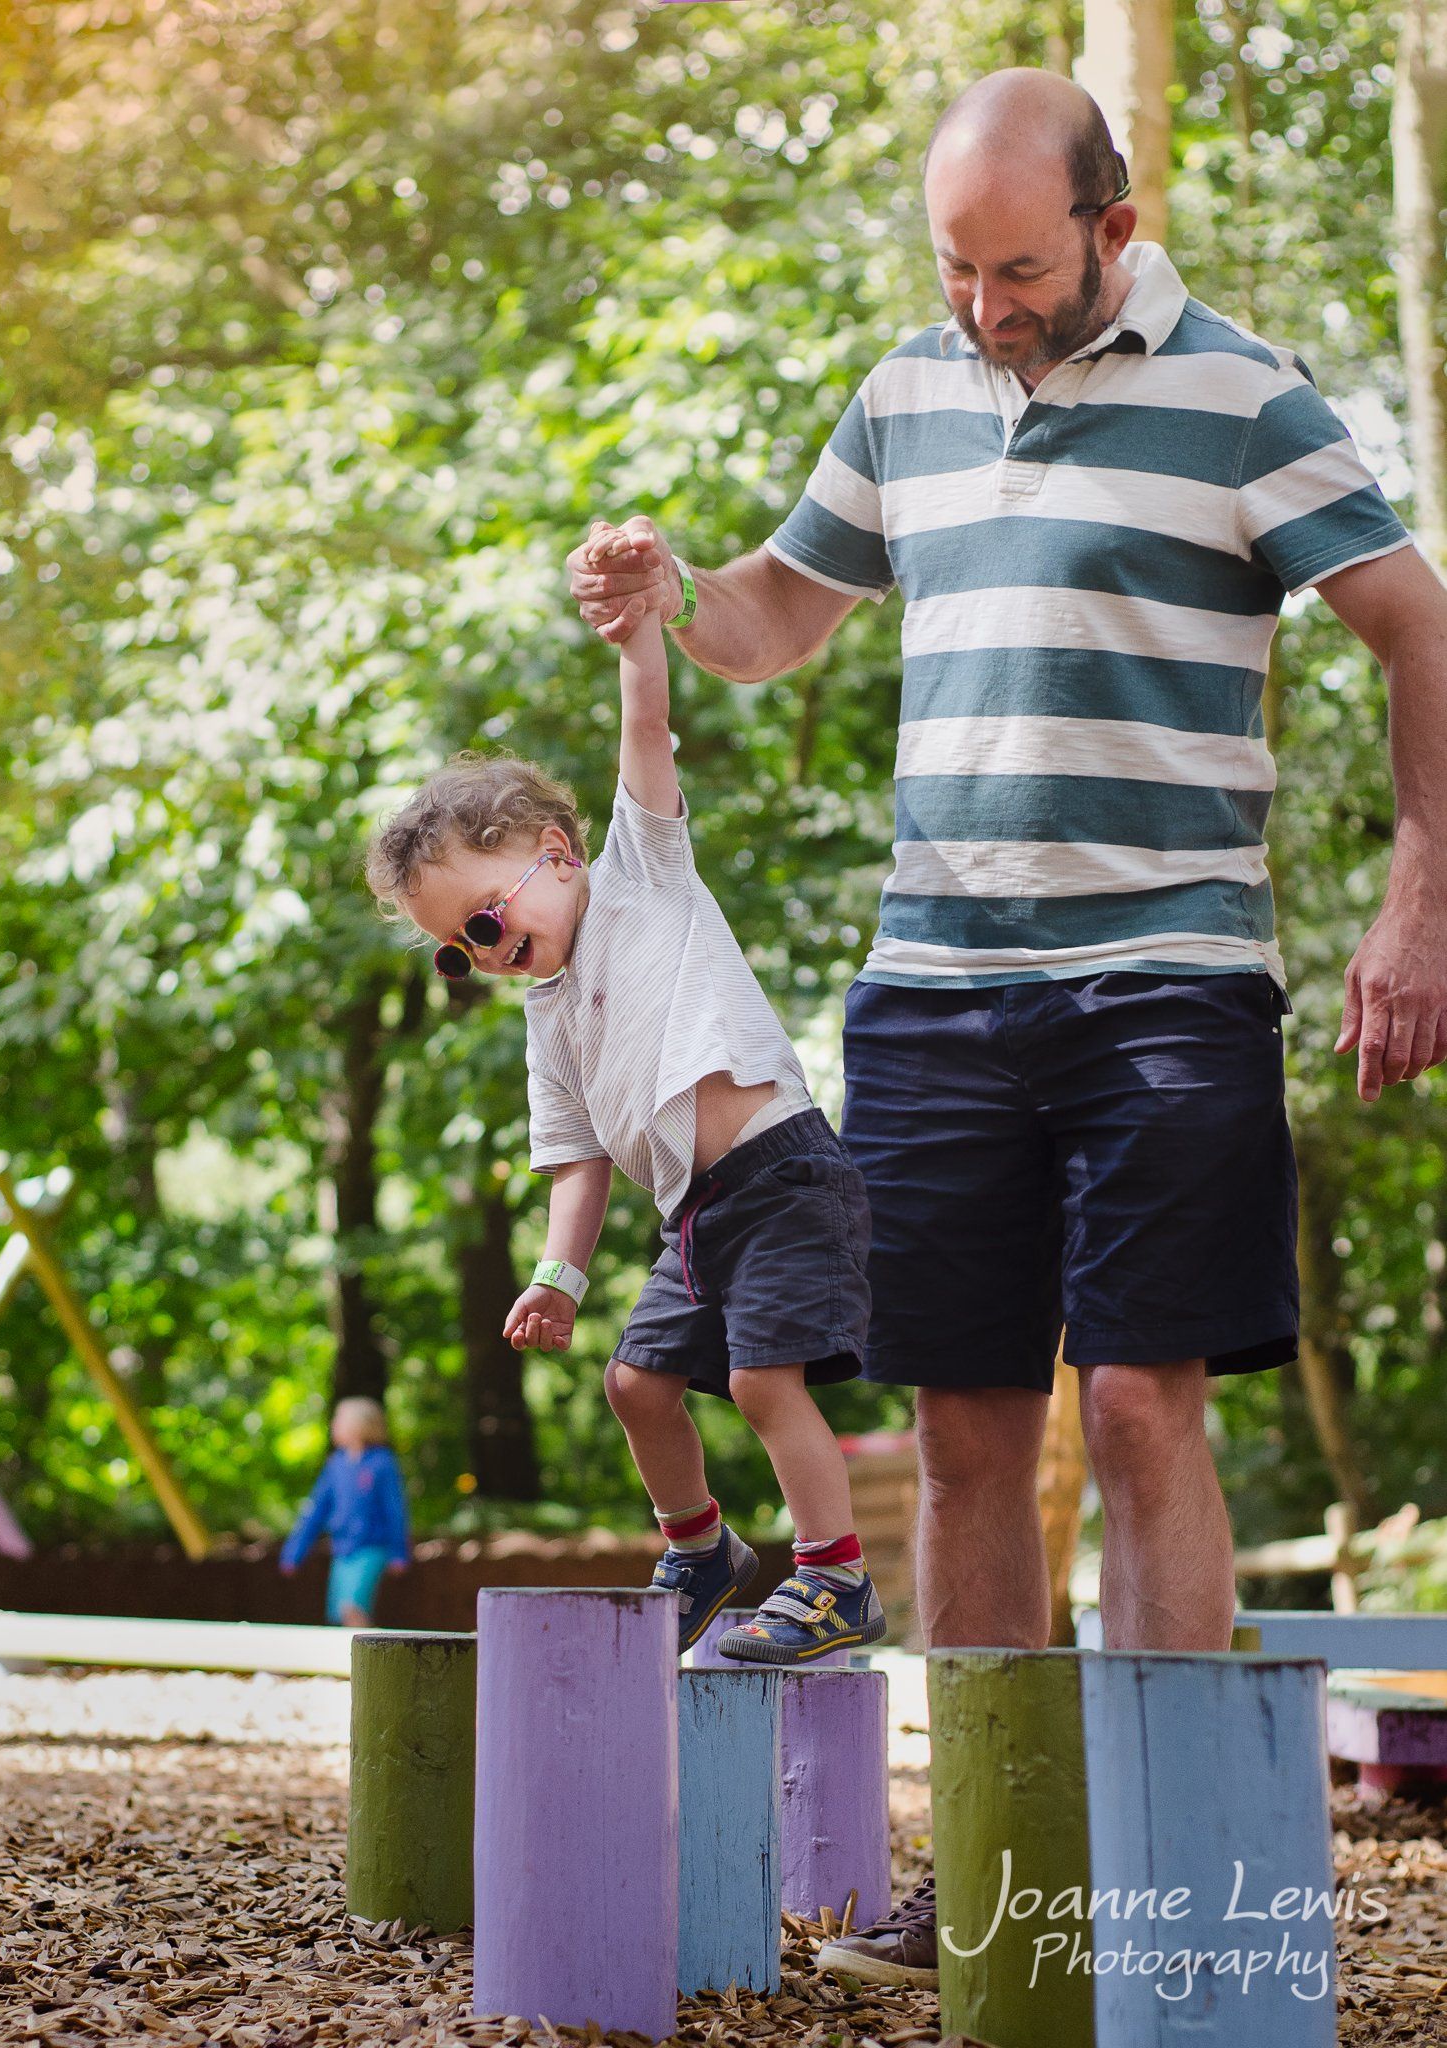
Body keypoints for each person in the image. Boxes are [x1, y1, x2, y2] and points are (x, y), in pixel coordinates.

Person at [566, 68, 1447, 1984]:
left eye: (1019, 266)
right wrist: (668, 596)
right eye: (956, 268)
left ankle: (1169, 1885)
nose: (986, 304)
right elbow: (778, 616)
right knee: (966, 1434)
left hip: (1170, 978)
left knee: (1138, 1405)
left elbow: (1414, 625)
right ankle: (988, 1894)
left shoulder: (1244, 396)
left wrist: (1418, 893)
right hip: (935, 990)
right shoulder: (902, 392)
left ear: (1112, 229)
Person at [364, 526, 884, 1665]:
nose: (487, 956)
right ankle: (701, 1549)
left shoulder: (642, 872)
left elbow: (644, 720)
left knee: (757, 1378)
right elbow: (575, 1159)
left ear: (556, 852)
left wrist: (638, 623)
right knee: (635, 1381)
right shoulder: (548, 1015)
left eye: (486, 922)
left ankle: (833, 1573)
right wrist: (558, 1274)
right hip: (691, 1214)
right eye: (458, 952)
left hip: (784, 1170)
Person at [279, 1395, 411, 1626]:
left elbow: (395, 1509)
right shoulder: (336, 1465)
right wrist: (295, 1552)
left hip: (370, 1547)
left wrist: (399, 1552)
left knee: (352, 1608)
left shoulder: (382, 1463)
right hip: (343, 1549)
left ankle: (366, 1660)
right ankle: (346, 1659)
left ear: (360, 1425)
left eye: (340, 1419)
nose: (334, 1425)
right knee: (337, 1614)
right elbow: (315, 1510)